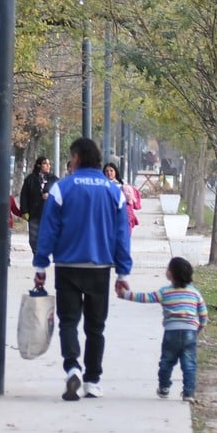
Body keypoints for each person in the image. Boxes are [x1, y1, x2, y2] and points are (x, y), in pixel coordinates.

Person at [33, 137, 132, 401]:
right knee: (96, 327)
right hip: (100, 267)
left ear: (76, 158)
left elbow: (48, 231)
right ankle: (93, 380)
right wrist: (123, 273)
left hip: (67, 266)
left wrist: (41, 265)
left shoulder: (61, 189)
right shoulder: (114, 192)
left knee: (68, 322)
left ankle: (72, 366)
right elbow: (122, 235)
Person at [116, 257, 208, 402]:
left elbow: (146, 298)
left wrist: (125, 294)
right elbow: (203, 315)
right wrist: (199, 328)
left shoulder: (165, 292)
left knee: (166, 361)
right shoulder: (195, 293)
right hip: (190, 332)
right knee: (189, 363)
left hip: (171, 333)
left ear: (170, 274)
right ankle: (189, 393)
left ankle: (164, 388)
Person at [18, 156, 59, 255]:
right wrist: (24, 211)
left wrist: (50, 197)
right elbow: (24, 195)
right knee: (34, 238)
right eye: (45, 163)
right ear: (39, 165)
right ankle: (37, 253)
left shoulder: (54, 180)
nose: (48, 166)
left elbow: (60, 195)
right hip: (35, 213)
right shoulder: (30, 179)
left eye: (49, 164)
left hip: (50, 214)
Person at [104, 162, 142, 232]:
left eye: (111, 170)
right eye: (106, 171)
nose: (109, 173)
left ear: (115, 171)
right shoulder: (102, 185)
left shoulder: (123, 184)